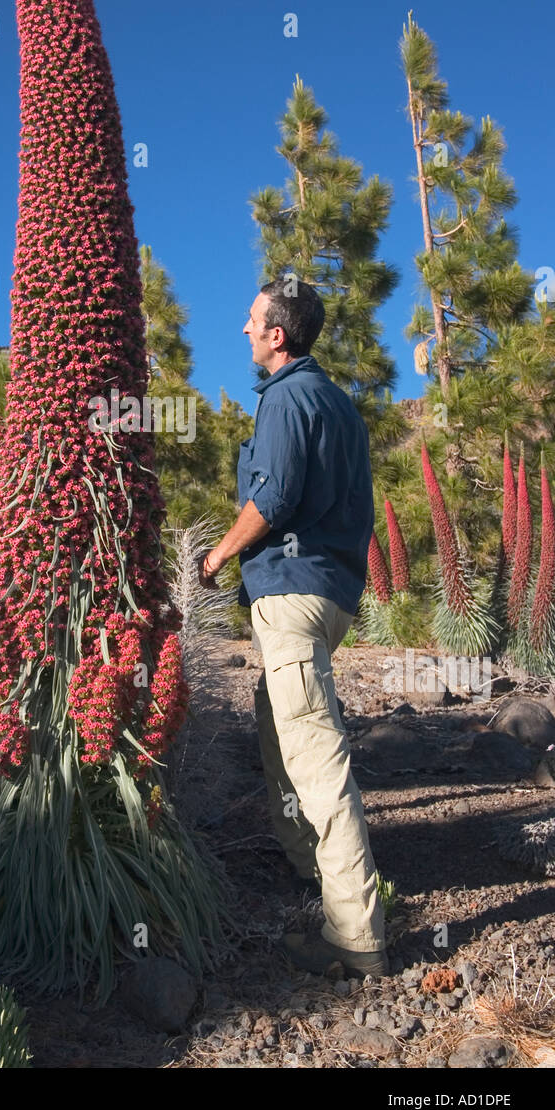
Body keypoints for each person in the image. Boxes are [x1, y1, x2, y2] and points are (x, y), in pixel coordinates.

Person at [198, 275, 388, 978]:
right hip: (333, 595)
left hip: (291, 590)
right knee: (277, 722)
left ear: (278, 334)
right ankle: (310, 864)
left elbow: (270, 498)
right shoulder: (339, 405)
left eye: (252, 322)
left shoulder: (284, 398)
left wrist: (219, 553)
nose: (244, 331)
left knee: (316, 758)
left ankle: (358, 932)